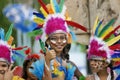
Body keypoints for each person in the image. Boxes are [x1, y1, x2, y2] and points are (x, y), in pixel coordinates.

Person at [31, 0, 87, 80]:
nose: (59, 41)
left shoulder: (70, 65)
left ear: (67, 39)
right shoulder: (39, 66)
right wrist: (47, 61)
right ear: (47, 40)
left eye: (62, 38)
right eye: (54, 38)